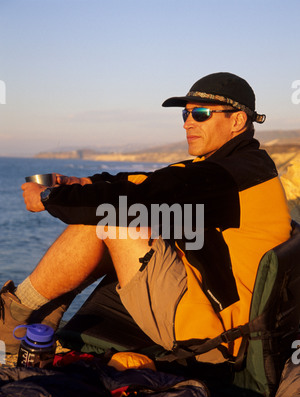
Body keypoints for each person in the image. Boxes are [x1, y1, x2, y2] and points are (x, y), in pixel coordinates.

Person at [0, 72, 292, 360]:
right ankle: (38, 313)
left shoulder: (228, 176)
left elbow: (137, 198)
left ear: (238, 120)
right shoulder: (240, 167)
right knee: (113, 209)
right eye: (185, 114)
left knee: (113, 218)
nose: (188, 123)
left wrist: (48, 198)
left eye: (201, 114)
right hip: (217, 312)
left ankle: (15, 314)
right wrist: (84, 183)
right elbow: (152, 181)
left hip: (213, 336)